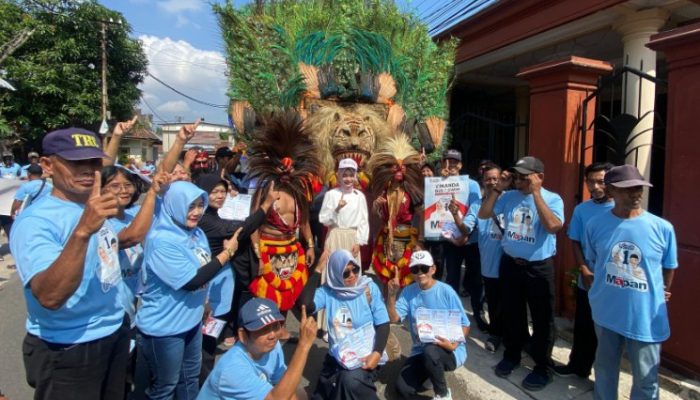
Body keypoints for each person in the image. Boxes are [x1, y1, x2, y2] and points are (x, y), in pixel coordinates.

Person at [10, 127, 129, 399]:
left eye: (94, 162)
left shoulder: (92, 205)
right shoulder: (36, 221)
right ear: (47, 165)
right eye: (76, 162)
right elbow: (50, 297)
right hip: (68, 346)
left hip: (113, 331)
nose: (88, 169)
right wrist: (83, 231)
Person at [136, 181, 242, 399]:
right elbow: (192, 280)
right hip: (165, 329)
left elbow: (203, 267)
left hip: (191, 321)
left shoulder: (196, 234)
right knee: (165, 386)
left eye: (200, 205)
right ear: (174, 204)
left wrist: (204, 303)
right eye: (190, 206)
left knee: (189, 377)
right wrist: (227, 253)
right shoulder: (162, 240)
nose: (196, 212)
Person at [583, 164, 677, 400]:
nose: (636, 193)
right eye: (628, 189)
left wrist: (662, 289)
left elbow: (669, 265)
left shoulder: (662, 228)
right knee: (604, 370)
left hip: (644, 316)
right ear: (611, 191)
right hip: (606, 312)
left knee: (646, 378)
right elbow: (594, 259)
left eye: (639, 187)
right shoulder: (595, 224)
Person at [478, 156, 564, 391]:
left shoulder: (552, 198)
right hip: (511, 264)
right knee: (513, 313)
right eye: (515, 176)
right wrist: (498, 189)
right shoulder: (509, 197)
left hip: (537, 267)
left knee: (542, 319)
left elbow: (553, 226)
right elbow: (484, 214)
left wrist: (535, 194)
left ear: (539, 177)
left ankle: (542, 366)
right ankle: (513, 354)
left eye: (524, 177)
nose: (518, 181)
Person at [194, 173, 278, 382]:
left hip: (221, 290)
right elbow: (241, 229)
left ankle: (205, 377)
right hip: (209, 291)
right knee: (205, 341)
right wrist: (265, 205)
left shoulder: (213, 215)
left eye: (222, 191)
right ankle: (203, 383)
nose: (220, 196)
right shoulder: (204, 219)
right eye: (214, 192)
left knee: (211, 335)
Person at [299, 250, 389, 399]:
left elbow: (383, 324)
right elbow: (305, 304)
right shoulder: (328, 292)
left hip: (366, 353)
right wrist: (317, 270)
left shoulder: (368, 288)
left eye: (355, 269)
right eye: (346, 273)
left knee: (349, 381)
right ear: (335, 274)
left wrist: (376, 353)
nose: (352, 275)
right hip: (339, 356)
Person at [552, 162, 614, 379]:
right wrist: (584, 269)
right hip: (588, 280)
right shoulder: (582, 210)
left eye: (601, 181)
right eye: (591, 181)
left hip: (614, 284)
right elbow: (575, 241)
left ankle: (606, 378)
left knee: (608, 334)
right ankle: (578, 367)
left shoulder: (622, 209)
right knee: (584, 326)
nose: (595, 186)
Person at [386, 250, 470, 400]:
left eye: (424, 268)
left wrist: (453, 345)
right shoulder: (408, 292)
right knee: (401, 389)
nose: (420, 273)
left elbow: (465, 324)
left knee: (431, 351)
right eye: (415, 269)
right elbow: (394, 319)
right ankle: (431, 376)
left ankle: (443, 395)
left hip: (450, 350)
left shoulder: (446, 292)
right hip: (421, 350)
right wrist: (391, 295)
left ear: (433, 269)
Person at [197, 298, 317, 400]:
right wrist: (303, 346)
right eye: (263, 330)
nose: (272, 335)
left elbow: (287, 386)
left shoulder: (272, 347)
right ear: (243, 336)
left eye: (275, 326)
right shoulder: (232, 369)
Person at [460, 162, 509, 352]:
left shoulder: (510, 200)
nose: (492, 182)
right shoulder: (477, 205)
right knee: (494, 300)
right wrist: (455, 216)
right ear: (483, 181)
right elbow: (467, 227)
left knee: (512, 301)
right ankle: (496, 334)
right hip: (488, 262)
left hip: (509, 262)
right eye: (488, 179)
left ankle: (513, 335)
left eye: (495, 178)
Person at [318, 158, 370, 337]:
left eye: (351, 175)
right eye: (344, 175)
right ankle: (328, 325)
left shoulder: (360, 196)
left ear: (355, 176)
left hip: (352, 238)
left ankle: (350, 321)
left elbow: (364, 221)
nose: (348, 179)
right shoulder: (331, 195)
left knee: (351, 278)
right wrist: (337, 209)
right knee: (332, 278)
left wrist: (360, 241)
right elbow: (324, 219)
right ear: (338, 175)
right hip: (335, 235)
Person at [438, 149, 485, 330]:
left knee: (475, 279)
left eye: (454, 162)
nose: (450, 165)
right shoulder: (439, 183)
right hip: (450, 241)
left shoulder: (472, 185)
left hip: (471, 240)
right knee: (451, 277)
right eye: (447, 161)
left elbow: (475, 211)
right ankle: (452, 313)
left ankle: (478, 313)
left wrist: (466, 236)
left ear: (460, 165)